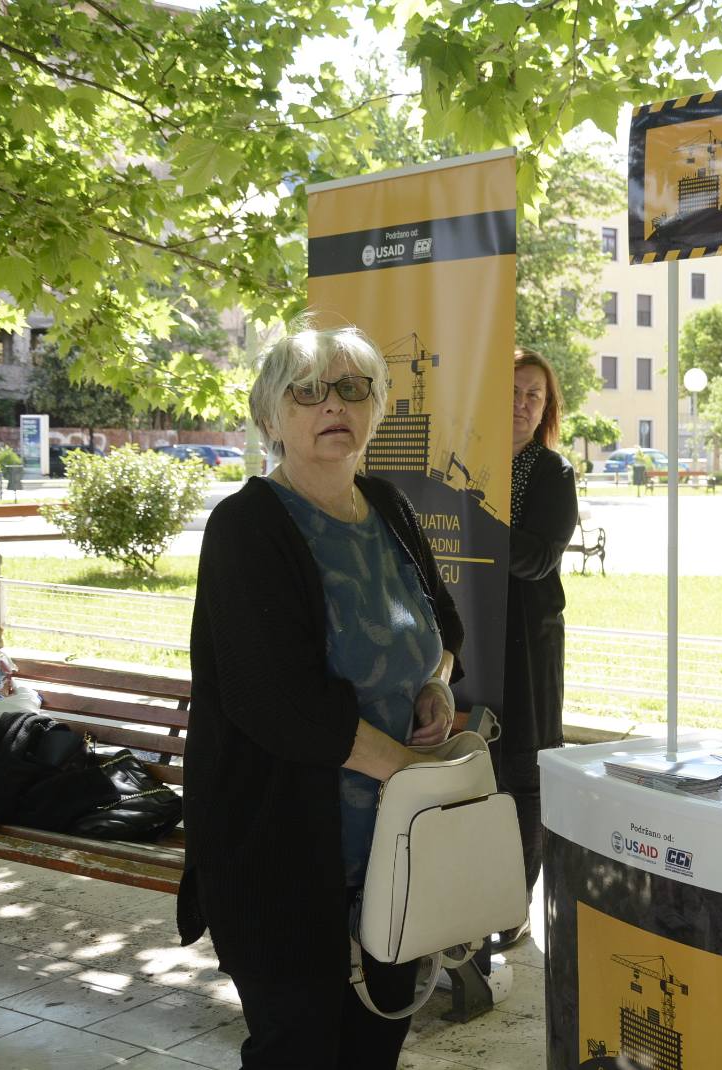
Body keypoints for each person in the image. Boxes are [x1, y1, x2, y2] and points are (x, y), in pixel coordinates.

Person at [177, 325, 464, 1068]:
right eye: (306, 391)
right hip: (282, 850)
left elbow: (444, 632)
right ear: (270, 417)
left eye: (352, 388)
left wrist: (434, 684)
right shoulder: (246, 528)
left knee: (378, 1042)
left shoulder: (390, 508)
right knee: (297, 1048)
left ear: (377, 407)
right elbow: (278, 701)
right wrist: (403, 769)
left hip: (394, 856)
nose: (331, 404)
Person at [495, 346, 579, 943]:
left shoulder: (552, 474)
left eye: (535, 396)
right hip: (467, 636)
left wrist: (467, 523)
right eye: (515, 391)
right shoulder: (465, 461)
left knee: (527, 771)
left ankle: (515, 906)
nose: (523, 405)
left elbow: (537, 557)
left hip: (528, 641)